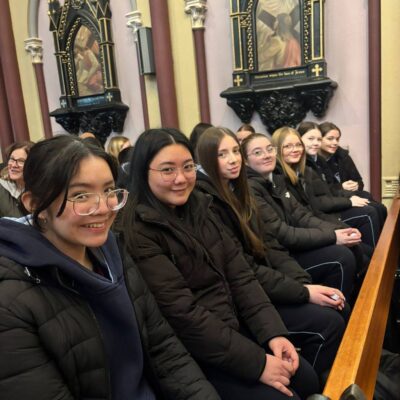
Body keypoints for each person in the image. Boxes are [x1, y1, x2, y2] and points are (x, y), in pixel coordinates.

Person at [0, 135, 220, 400]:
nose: (103, 208)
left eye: (108, 191)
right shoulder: (11, 299)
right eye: (81, 195)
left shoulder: (112, 251)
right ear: (35, 204)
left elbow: (164, 347)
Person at [121, 128, 320, 400]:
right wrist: (258, 363)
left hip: (232, 327)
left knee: (306, 377)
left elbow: (241, 277)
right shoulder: (138, 231)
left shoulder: (200, 207)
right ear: (144, 173)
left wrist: (272, 333)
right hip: (198, 350)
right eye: (167, 170)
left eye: (187, 167)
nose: (181, 178)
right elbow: (184, 316)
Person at [195, 126, 347, 378]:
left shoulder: (240, 191)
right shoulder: (208, 203)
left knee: (338, 304)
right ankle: (325, 383)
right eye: (222, 154)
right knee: (329, 321)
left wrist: (302, 283)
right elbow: (243, 270)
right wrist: (302, 292)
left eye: (235, 151)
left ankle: (344, 373)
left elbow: (270, 245)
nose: (232, 159)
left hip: (262, 284)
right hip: (244, 299)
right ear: (207, 159)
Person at [242, 133, 359, 299]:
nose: (267, 155)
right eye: (258, 152)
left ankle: (360, 302)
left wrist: (339, 230)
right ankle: (343, 304)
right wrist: (333, 236)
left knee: (352, 243)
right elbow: (283, 234)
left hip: (294, 246)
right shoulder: (250, 189)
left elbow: (302, 215)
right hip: (281, 256)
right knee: (342, 257)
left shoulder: (276, 179)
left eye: (269, 149)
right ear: (245, 161)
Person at [273, 125, 380, 251]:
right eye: (287, 146)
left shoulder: (306, 170)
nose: (295, 149)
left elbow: (329, 191)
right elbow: (313, 208)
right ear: (276, 149)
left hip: (318, 218)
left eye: (298, 145)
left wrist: (350, 197)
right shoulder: (279, 177)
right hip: (309, 226)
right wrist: (347, 205)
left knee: (372, 204)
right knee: (367, 217)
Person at [319, 121, 387, 228]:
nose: (335, 142)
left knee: (381, 208)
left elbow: (359, 181)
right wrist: (341, 186)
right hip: (336, 202)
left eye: (337, 139)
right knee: (371, 211)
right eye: (330, 138)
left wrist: (356, 185)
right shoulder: (315, 162)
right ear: (320, 139)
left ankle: (386, 239)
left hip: (351, 196)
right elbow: (323, 191)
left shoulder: (342, 156)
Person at [0, 141, 34, 218]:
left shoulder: (41, 187)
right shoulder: (2, 187)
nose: (14, 165)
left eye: (21, 161)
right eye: (12, 159)